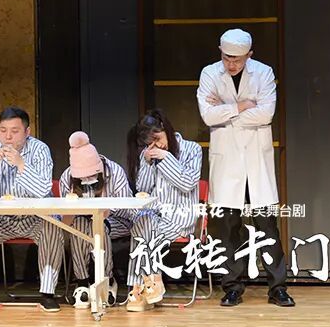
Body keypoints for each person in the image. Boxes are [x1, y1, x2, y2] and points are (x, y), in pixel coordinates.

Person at [196, 28, 295, 307]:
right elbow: (207, 116)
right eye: (227, 58)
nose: (231, 64)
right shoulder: (209, 74)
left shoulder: (263, 73)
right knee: (228, 229)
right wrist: (243, 105)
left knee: (267, 227)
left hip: (255, 161)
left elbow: (266, 113)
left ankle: (278, 288)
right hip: (227, 161)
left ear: (249, 55)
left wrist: (226, 110)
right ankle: (232, 287)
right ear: (220, 52)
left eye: (237, 60)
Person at [0, 106, 63, 312]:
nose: (8, 136)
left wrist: (21, 164)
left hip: (37, 216)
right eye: (3, 130)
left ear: (27, 132)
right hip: (2, 218)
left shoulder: (40, 149)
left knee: (52, 228)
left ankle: (47, 293)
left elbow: (43, 189)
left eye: (14, 131)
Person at [125, 109, 202, 312]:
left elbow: (187, 183)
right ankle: (152, 284)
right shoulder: (149, 153)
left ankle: (139, 289)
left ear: (166, 129)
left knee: (143, 234)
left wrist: (166, 158)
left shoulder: (192, 149)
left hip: (180, 216)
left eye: (158, 139)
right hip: (155, 215)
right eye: (150, 143)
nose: (156, 145)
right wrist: (147, 163)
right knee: (141, 224)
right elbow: (143, 189)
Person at [59, 131, 133, 308]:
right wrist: (70, 212)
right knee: (79, 225)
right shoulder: (67, 177)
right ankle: (82, 282)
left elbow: (128, 208)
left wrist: (108, 209)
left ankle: (107, 279)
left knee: (99, 225)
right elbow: (65, 222)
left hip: (116, 221)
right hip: (82, 223)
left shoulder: (114, 172)